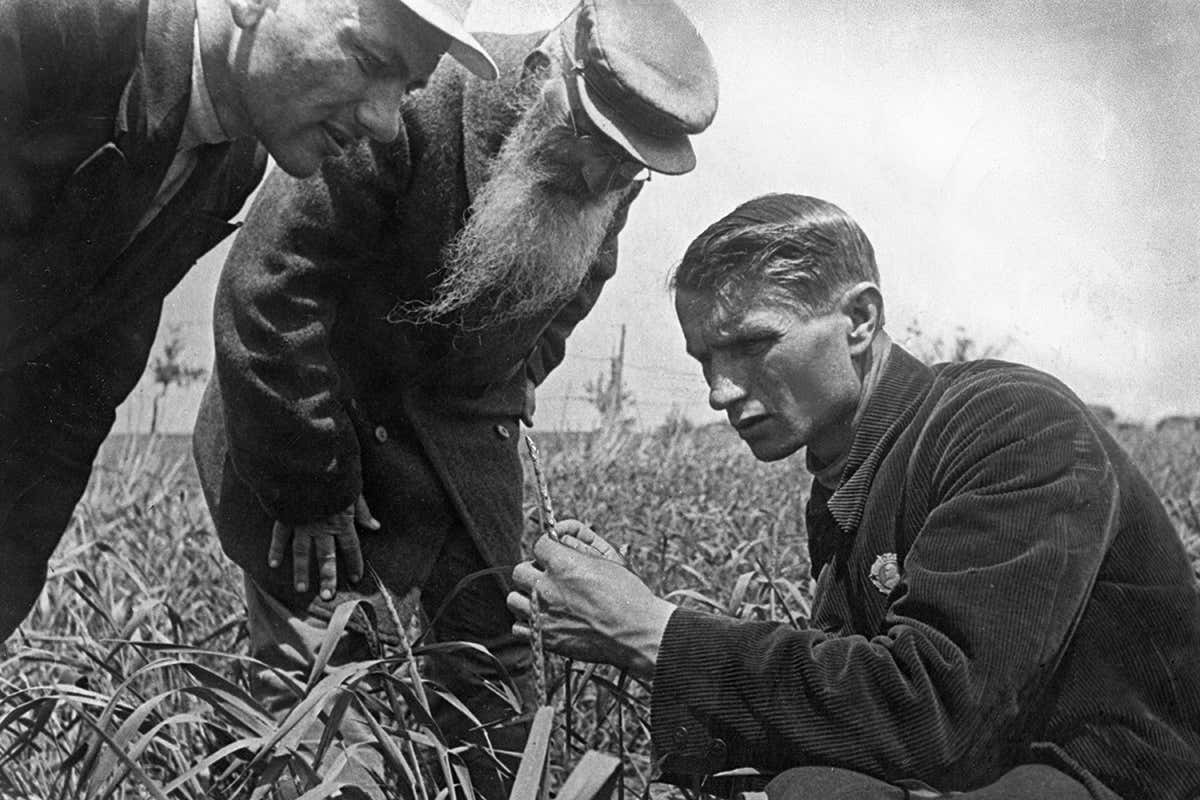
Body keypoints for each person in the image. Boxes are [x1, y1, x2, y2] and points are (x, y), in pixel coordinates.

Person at [508, 194, 1200, 799]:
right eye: (705, 360)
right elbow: (850, 700)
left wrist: (653, 632)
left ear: (861, 320)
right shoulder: (851, 471)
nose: (720, 391)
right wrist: (636, 614)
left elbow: (937, 713)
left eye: (753, 343)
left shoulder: (1010, 424)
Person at [191, 0, 718, 795]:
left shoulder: (606, 172)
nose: (600, 179)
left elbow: (572, 291)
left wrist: (506, 382)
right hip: (306, 424)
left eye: (627, 169)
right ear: (548, 77)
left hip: (460, 438)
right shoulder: (408, 107)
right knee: (330, 697)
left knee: (495, 684)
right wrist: (309, 489)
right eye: (596, 145)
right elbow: (269, 293)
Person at [0, 0, 499, 642]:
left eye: (407, 88)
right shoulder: (51, 23)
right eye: (371, 60)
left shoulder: (231, 166)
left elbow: (72, 400)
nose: (382, 120)